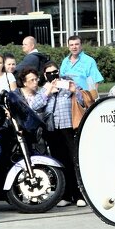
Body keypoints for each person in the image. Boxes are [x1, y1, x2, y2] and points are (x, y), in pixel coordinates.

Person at [38, 63, 83, 205]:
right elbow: (35, 106)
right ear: (45, 75)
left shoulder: (67, 84)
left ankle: (79, 195)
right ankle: (65, 195)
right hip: (52, 130)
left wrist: (74, 90)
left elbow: (84, 101)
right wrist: (48, 92)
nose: (53, 75)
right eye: (49, 73)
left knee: (73, 160)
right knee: (59, 162)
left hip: (68, 128)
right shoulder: (44, 89)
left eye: (55, 71)